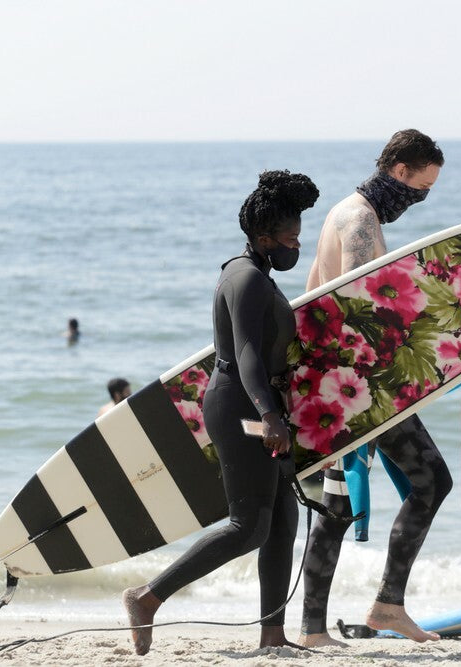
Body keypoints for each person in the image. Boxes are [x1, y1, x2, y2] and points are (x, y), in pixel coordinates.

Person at [122, 170, 319, 655]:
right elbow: (247, 354)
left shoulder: (251, 271)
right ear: (263, 237)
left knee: (282, 523)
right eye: (290, 238)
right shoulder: (248, 278)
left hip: (254, 402)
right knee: (248, 525)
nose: (297, 245)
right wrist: (270, 417)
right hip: (241, 407)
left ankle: (273, 635)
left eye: (299, 235)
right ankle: (147, 597)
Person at [298, 129, 453, 647]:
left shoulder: (340, 212)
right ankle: (388, 605)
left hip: (337, 385)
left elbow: (311, 300)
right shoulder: (361, 220)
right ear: (401, 171)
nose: (420, 199)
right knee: (432, 481)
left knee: (338, 506)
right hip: (360, 388)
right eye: (421, 188)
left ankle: (313, 628)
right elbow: (364, 316)